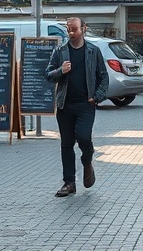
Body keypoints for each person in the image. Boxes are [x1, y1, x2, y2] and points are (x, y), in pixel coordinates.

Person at [45, 17, 109, 197]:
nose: (71, 33)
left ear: (84, 28)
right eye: (69, 29)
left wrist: (96, 96)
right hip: (65, 105)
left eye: (74, 29)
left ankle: (87, 160)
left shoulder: (93, 51)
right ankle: (69, 182)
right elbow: (48, 75)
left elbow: (103, 77)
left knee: (84, 138)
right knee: (66, 144)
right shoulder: (60, 51)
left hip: (85, 104)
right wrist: (60, 71)